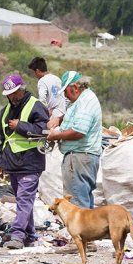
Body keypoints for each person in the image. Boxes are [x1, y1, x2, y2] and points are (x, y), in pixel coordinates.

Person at [0, 74, 49, 250]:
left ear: (22, 89)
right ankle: (30, 235)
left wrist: (20, 126)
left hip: (31, 161)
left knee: (24, 200)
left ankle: (18, 235)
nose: (12, 97)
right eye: (9, 94)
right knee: (23, 201)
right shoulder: (5, 111)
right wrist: (1, 163)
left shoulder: (36, 106)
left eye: (14, 93)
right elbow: (3, 138)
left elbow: (44, 130)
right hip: (13, 163)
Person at [46, 71, 102, 209]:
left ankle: (82, 231)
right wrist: (59, 120)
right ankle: (89, 230)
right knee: (84, 201)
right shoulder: (82, 100)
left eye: (66, 91)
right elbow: (76, 119)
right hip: (83, 157)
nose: (65, 95)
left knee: (77, 205)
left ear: (75, 88)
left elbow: (79, 131)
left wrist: (55, 136)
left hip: (79, 157)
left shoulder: (85, 101)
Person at [28, 57, 65, 129]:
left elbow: (42, 99)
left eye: (34, 72)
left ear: (37, 71)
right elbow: (65, 96)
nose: (34, 75)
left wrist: (45, 112)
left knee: (50, 136)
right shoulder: (57, 78)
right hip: (63, 114)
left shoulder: (42, 81)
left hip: (53, 116)